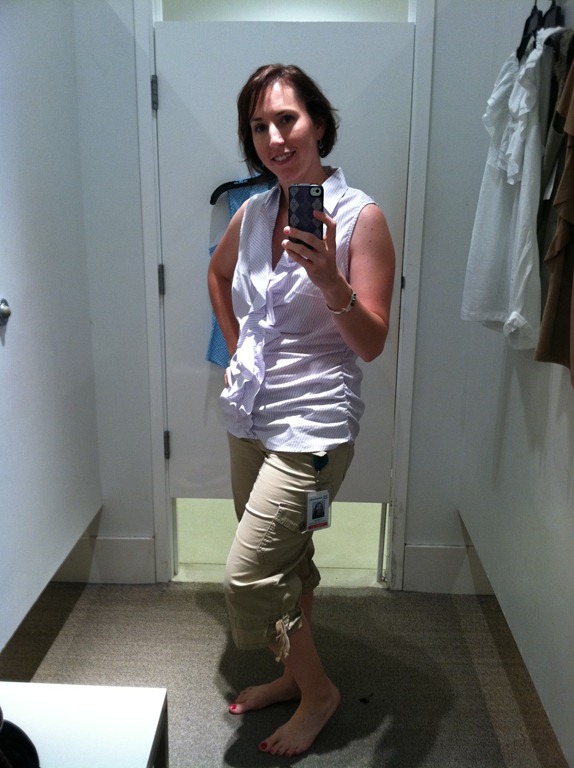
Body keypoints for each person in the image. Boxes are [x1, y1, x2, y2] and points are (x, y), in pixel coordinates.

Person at [207, 63, 395, 758]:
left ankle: (319, 693)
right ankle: (294, 675)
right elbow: (217, 275)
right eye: (259, 126)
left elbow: (371, 342)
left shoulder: (360, 218)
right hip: (250, 419)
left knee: (249, 576)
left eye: (286, 119)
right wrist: (237, 349)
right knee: (289, 563)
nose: (274, 138)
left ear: (317, 122)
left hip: (313, 428)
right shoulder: (254, 213)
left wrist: (329, 279)